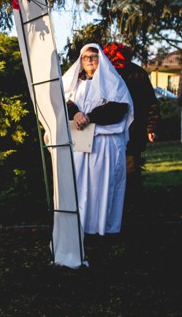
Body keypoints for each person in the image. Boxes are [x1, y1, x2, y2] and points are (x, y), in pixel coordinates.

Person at [63, 43, 133, 235]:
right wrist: (76, 114)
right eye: (85, 57)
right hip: (79, 142)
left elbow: (119, 108)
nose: (89, 60)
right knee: (80, 186)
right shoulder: (75, 84)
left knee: (100, 187)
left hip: (104, 145)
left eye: (93, 56)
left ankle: (102, 228)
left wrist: (90, 117)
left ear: (100, 59)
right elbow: (65, 102)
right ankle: (80, 227)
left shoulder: (113, 81)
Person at [102, 43, 159, 206]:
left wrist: (152, 127)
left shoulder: (137, 74)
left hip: (133, 130)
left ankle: (132, 205)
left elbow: (150, 102)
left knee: (130, 170)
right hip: (107, 131)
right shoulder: (103, 73)